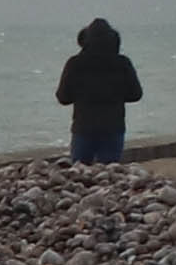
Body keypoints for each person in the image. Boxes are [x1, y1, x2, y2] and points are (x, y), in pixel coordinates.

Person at [53, 18, 147, 166]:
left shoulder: (75, 63)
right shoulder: (122, 63)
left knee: (81, 173)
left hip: (83, 127)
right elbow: (136, 94)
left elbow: (63, 97)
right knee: (110, 173)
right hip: (113, 127)